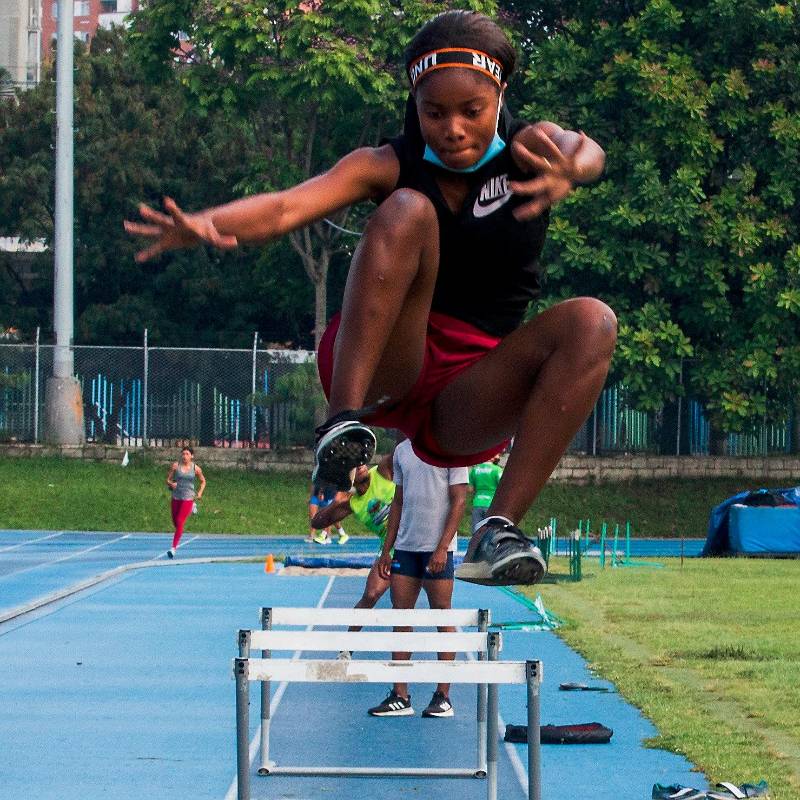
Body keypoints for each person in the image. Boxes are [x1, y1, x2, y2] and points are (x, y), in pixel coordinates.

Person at [125, 10, 615, 586]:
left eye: (472, 112)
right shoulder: (386, 164)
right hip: (388, 358)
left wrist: (571, 170)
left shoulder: (530, 151)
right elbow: (287, 206)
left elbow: (585, 149)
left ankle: (498, 530)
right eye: (434, 113)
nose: (453, 129)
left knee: (593, 321)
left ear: (500, 95)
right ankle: (341, 430)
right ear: (415, 105)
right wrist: (202, 223)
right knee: (410, 208)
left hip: (470, 390)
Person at [367, 439, 467, 718]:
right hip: (406, 548)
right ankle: (400, 695)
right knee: (401, 616)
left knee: (442, 616)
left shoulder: (452, 447)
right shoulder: (402, 451)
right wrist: (386, 550)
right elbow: (398, 501)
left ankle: (443, 696)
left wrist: (442, 547)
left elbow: (459, 500)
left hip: (436, 549)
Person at [311, 452, 396, 644]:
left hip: (413, 540)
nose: (361, 465)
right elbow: (317, 523)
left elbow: (403, 451)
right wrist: (336, 503)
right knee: (371, 594)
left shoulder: (383, 471)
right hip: (389, 550)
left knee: (422, 601)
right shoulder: (352, 503)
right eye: (354, 466)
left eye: (361, 462)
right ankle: (347, 646)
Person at [165, 446, 206, 558]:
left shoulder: (196, 469)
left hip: (188, 497)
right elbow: (168, 479)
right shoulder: (175, 466)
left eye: (187, 454)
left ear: (192, 456)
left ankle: (173, 548)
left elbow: (203, 481)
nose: (184, 456)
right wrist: (170, 484)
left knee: (180, 521)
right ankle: (193, 506)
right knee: (175, 522)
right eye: (183, 454)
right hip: (176, 496)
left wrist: (200, 493)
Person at [469, 454, 504, 531]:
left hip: (477, 502)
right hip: (492, 504)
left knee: (476, 531)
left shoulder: (474, 470)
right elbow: (503, 486)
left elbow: (470, 489)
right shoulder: (497, 470)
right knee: (491, 531)